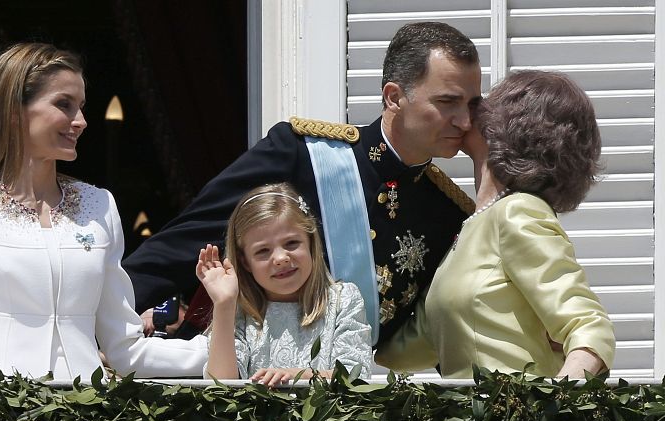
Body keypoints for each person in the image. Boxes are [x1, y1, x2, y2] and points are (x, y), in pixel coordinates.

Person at [123, 21, 482, 361]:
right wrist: (108, 324)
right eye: (448, 102)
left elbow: (434, 333)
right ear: (393, 97)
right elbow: (183, 246)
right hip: (245, 389)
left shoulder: (446, 212)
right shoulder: (302, 155)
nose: (465, 122)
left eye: (472, 105)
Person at [0, 43, 206, 380]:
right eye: (64, 105)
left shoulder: (99, 204)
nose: (81, 121)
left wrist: (235, 352)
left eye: (81, 107)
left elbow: (125, 348)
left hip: (93, 419)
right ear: (13, 111)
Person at [377, 70, 615, 378]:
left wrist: (555, 405)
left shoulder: (518, 211)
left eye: (484, 104)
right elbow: (403, 351)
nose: (471, 113)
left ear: (508, 126)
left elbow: (587, 325)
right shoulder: (471, 228)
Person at [197, 183, 372, 386]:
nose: (280, 258)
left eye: (291, 243)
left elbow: (356, 375)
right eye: (263, 251)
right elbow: (220, 388)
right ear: (245, 261)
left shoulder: (343, 299)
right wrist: (224, 304)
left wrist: (296, 376)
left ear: (311, 243)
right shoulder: (239, 311)